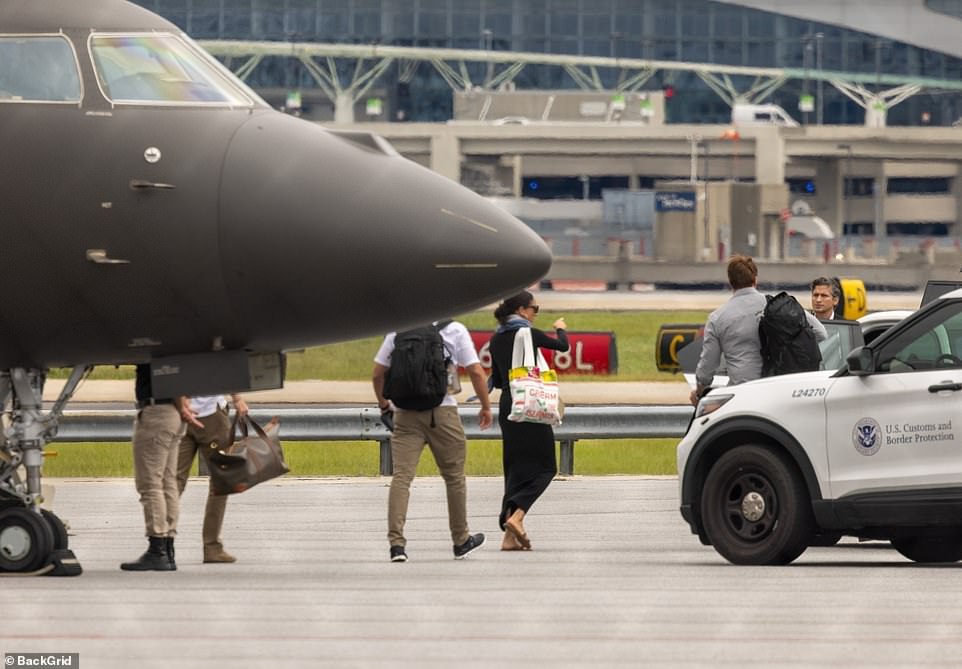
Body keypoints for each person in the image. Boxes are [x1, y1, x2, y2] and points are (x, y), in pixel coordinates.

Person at [372, 319, 493, 562]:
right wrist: (485, 407)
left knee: (402, 477)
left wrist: (384, 405)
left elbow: (377, 373)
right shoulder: (455, 329)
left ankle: (397, 545)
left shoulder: (398, 329)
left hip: (405, 414)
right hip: (443, 412)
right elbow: (476, 371)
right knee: (454, 478)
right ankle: (461, 540)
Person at [488, 291, 569, 551]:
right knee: (546, 467)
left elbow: (499, 381)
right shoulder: (528, 334)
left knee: (514, 469)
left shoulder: (496, 338)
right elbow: (562, 347)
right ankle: (517, 516)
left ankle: (509, 537)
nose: (536, 314)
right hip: (531, 405)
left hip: (508, 405)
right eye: (535, 309)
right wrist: (560, 329)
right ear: (522, 310)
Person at [690, 256, 826, 406]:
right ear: (755, 280)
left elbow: (707, 367)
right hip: (778, 393)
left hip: (742, 395)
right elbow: (820, 332)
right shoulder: (778, 306)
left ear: (730, 283)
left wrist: (699, 392)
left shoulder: (717, 318)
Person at [121, 364, 201, 572]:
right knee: (167, 483)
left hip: (158, 413)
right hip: (172, 413)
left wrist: (181, 402)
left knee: (150, 484)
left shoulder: (156, 340)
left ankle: (157, 548)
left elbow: (169, 373)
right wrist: (182, 403)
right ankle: (167, 547)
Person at [176, 393, 249, 564]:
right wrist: (237, 398)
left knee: (173, 482)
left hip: (180, 412)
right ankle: (212, 547)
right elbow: (222, 367)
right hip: (211, 415)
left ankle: (162, 542)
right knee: (220, 481)